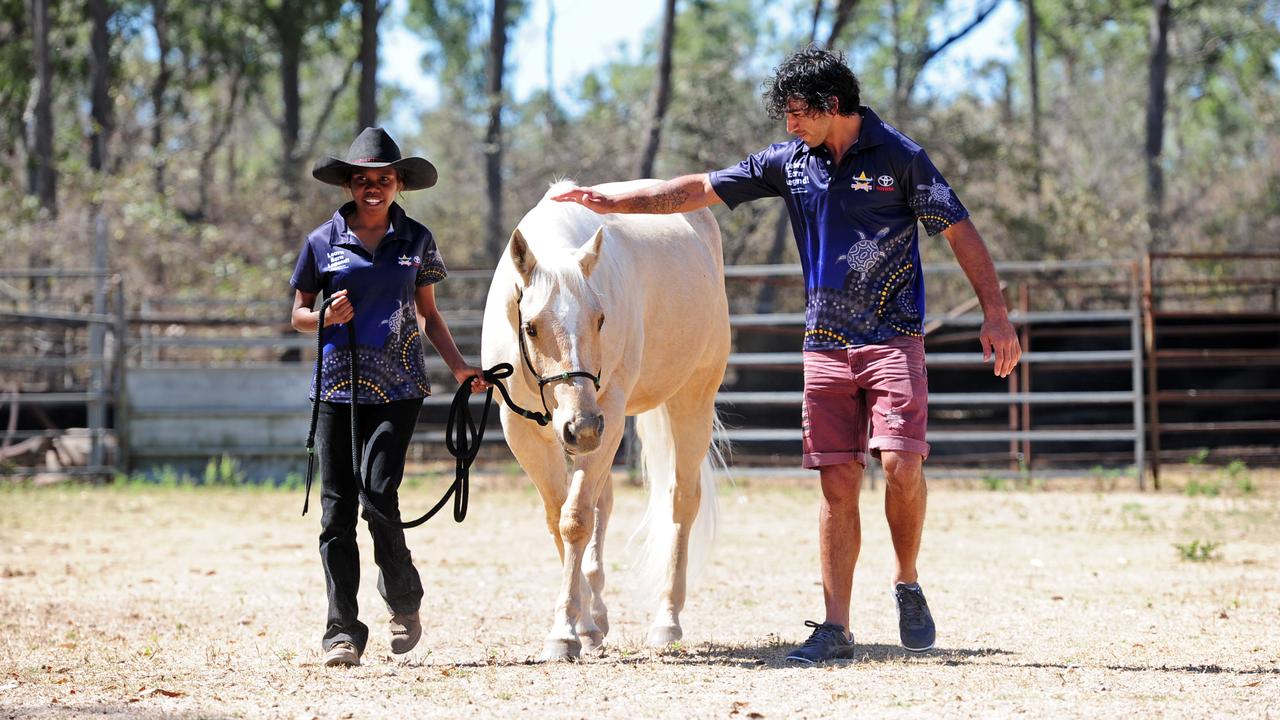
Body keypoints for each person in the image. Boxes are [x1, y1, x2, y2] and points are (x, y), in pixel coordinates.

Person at [552, 47, 1021, 664]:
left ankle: (907, 579)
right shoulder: (789, 163)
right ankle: (835, 626)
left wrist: (994, 311)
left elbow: (958, 228)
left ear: (832, 106)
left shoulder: (901, 159)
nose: (790, 125)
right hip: (825, 344)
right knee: (837, 482)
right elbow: (699, 188)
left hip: (892, 338)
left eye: (798, 113)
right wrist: (616, 205)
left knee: (902, 464)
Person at [289, 127, 489, 667]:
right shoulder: (320, 241)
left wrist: (461, 368)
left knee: (379, 495)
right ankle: (342, 631)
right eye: (363, 180)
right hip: (336, 389)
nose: (373, 188)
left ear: (399, 183)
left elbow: (429, 315)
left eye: (384, 179)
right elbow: (298, 316)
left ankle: (403, 599)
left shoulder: (417, 240)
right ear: (350, 185)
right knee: (336, 511)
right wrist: (323, 317)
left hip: (399, 388)